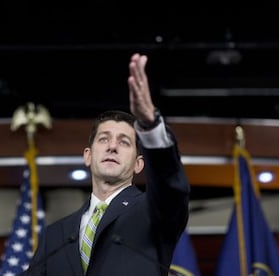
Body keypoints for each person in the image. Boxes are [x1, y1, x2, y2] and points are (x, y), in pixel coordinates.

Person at [25, 53, 190, 276]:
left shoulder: (154, 213)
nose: (112, 147)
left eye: (124, 142)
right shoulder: (55, 236)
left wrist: (150, 125)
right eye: (104, 139)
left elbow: (171, 187)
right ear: (88, 156)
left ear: (138, 164)